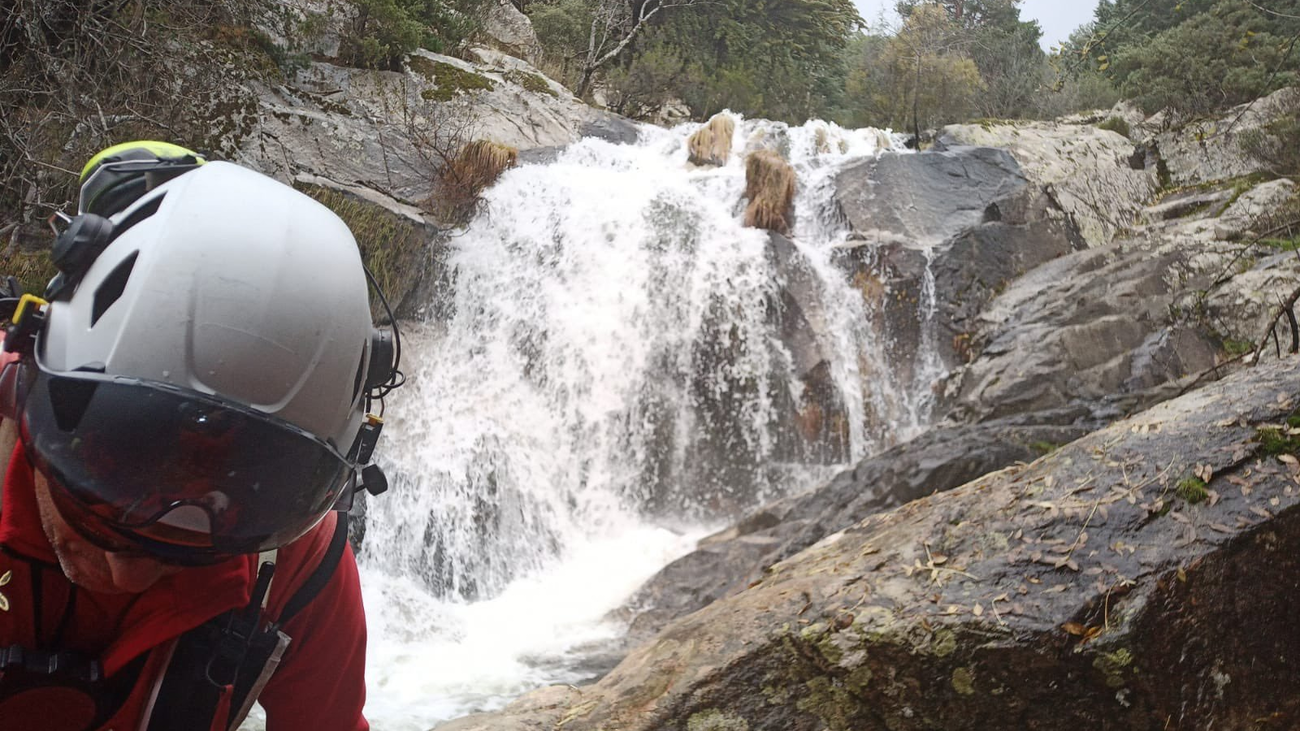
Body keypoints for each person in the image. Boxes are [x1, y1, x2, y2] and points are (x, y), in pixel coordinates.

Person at [0, 142, 400, 730]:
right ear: (26, 385)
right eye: (110, 473)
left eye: (225, 496)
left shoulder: (291, 560)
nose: (125, 575)